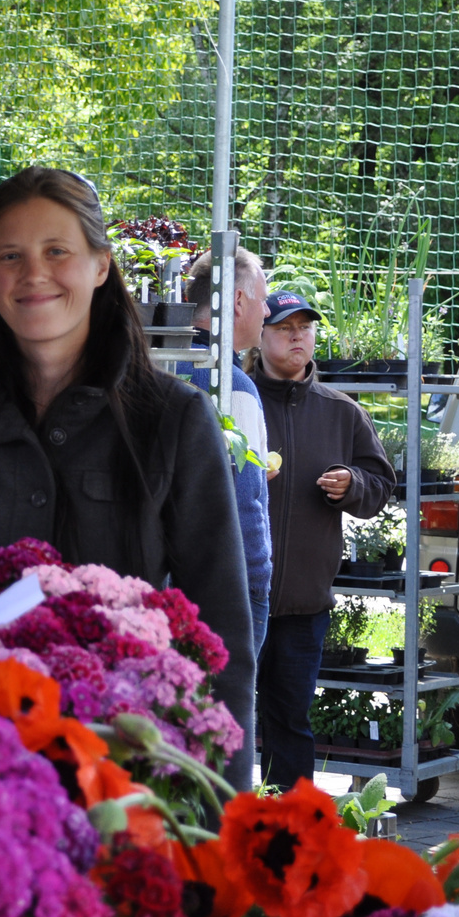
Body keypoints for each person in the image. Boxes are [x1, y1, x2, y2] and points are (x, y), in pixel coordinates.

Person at [0, 166, 258, 790]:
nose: (34, 273)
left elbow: (222, 638)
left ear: (101, 266)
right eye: (10, 255)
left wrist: (221, 814)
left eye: (58, 251)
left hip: (128, 784)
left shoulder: (172, 420)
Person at [250, 290, 393, 790]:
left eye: (305, 327)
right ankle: (222, 831)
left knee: (290, 725)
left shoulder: (341, 411)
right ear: (260, 335)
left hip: (304, 606)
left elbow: (380, 486)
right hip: (239, 598)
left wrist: (352, 484)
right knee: (225, 723)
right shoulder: (234, 402)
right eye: (285, 327)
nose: (297, 335)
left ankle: (293, 833)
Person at [183, 248, 273, 658]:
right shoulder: (232, 386)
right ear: (237, 302)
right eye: (262, 298)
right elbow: (243, 500)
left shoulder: (155, 368)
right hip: (227, 586)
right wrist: (258, 581)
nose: (268, 311)